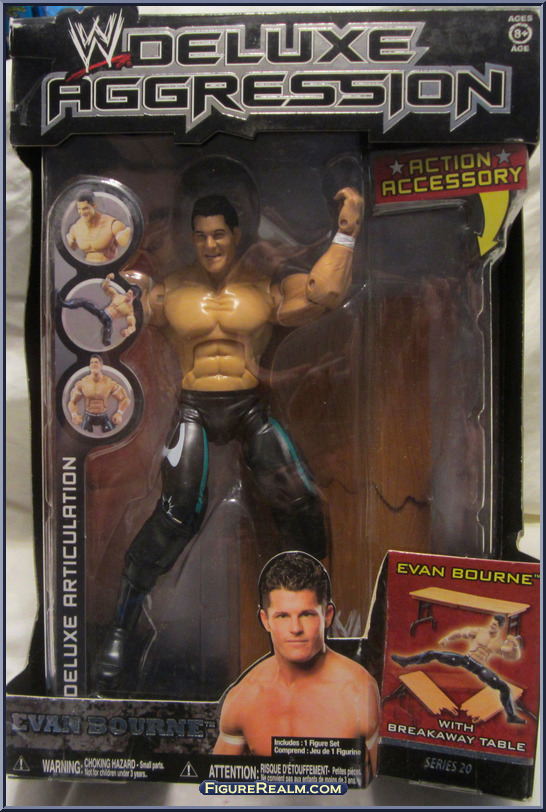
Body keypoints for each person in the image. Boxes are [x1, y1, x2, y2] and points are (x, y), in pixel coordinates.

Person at [95, 188, 363, 691]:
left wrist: (346, 233)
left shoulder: (264, 289)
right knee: (177, 513)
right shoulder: (171, 291)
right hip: (194, 407)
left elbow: (325, 295)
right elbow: (113, 306)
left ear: (237, 234)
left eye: (219, 234)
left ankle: (317, 614)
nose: (210, 245)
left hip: (248, 406)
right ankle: (120, 629)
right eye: (200, 236)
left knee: (301, 500)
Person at [214, 552, 380, 777]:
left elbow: (388, 791)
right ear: (265, 620)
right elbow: (215, 788)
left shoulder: (359, 692)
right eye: (283, 616)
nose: (295, 628)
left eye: (307, 614)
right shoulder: (244, 697)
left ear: (327, 615)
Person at [391, 615, 525, 724]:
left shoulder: (498, 643)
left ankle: (511, 716)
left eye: (494, 625)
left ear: (500, 628)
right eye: (491, 623)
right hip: (466, 660)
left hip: (479, 667)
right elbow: (460, 633)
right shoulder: (479, 632)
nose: (491, 626)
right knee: (433, 654)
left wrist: (515, 646)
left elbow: (513, 656)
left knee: (504, 688)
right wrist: (447, 638)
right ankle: (406, 661)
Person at [60, 273, 140, 346]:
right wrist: (108, 278)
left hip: (108, 320)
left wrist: (128, 331)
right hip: (102, 313)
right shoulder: (118, 296)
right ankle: (66, 304)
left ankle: (106, 341)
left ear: (134, 297)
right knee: (84, 302)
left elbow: (133, 326)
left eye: (130, 294)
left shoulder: (130, 310)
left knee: (108, 329)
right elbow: (105, 287)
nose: (127, 294)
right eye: (128, 292)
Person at [67, 355, 131, 433]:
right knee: (83, 436)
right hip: (88, 416)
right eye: (92, 362)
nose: (94, 364)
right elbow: (72, 402)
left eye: (96, 362)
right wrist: (74, 415)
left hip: (103, 416)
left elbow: (125, 399)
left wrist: (119, 413)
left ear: (101, 365)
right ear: (89, 366)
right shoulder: (82, 383)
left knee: (111, 436)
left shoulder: (109, 383)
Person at [66, 189, 132, 263]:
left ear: (94, 205)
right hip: (87, 269)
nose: (82, 212)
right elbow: (64, 252)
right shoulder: (76, 228)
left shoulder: (112, 225)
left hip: (109, 268)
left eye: (85, 208)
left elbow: (132, 250)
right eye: (79, 209)